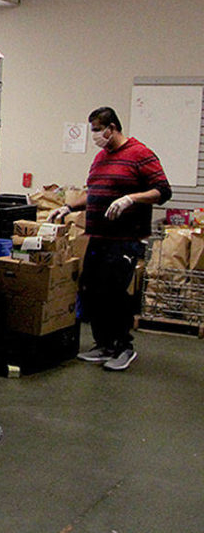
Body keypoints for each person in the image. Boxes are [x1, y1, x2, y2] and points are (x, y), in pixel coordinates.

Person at [50, 106, 171, 371]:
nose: (95, 136)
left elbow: (163, 190)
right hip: (99, 235)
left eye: (97, 130)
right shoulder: (101, 158)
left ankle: (123, 347)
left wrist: (131, 198)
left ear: (112, 128)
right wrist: (69, 207)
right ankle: (103, 344)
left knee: (116, 292)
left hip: (125, 238)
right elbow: (93, 193)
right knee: (91, 288)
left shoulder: (140, 154)